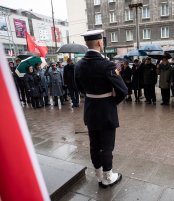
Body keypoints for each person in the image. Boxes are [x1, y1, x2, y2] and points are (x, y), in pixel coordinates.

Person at [75, 30, 127, 188]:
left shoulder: (79, 64)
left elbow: (79, 88)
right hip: (106, 110)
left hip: (90, 108)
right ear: (99, 43)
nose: (102, 43)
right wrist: (111, 102)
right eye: (102, 41)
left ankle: (98, 175)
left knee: (94, 144)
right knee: (107, 146)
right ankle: (108, 177)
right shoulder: (107, 65)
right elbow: (123, 90)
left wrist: (92, 96)